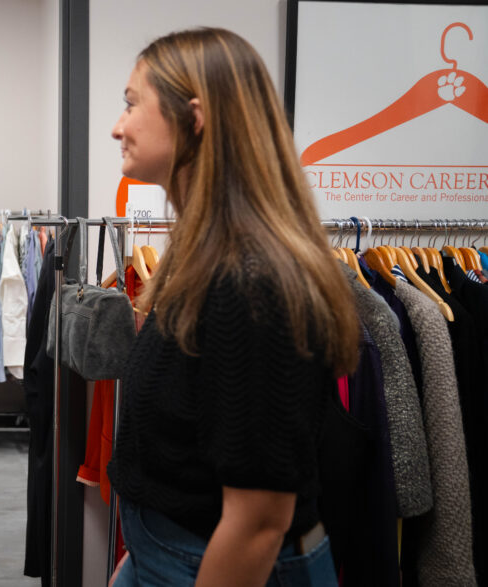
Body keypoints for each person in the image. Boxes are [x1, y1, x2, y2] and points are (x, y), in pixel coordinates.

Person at [106, 28, 360, 586]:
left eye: (131, 104)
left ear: (194, 118)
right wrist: (142, 555)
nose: (117, 127)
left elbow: (258, 523)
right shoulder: (205, 257)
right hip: (171, 555)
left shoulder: (252, 285)